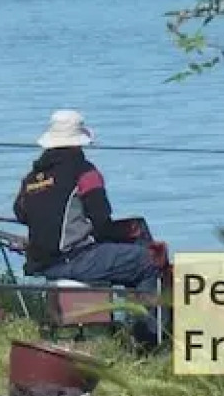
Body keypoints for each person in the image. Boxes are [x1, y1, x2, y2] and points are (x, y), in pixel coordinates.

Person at [13, 110, 161, 290]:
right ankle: (146, 318)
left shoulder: (30, 179)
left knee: (126, 254)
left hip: (41, 263)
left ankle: (119, 310)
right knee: (148, 260)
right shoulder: (85, 173)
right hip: (74, 260)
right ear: (78, 143)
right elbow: (101, 219)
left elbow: (21, 214)